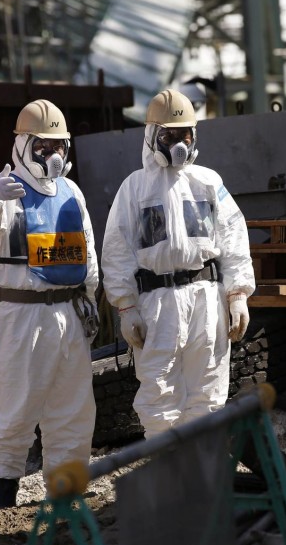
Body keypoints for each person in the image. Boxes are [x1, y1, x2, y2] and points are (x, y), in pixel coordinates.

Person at [0, 99, 99, 508]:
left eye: (59, 146)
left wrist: (93, 297)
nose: (52, 155)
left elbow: (87, 249)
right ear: (22, 145)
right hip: (22, 315)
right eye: (42, 146)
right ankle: (5, 496)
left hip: (69, 314)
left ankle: (66, 491)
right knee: (17, 406)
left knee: (73, 408)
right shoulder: (6, 190)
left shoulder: (72, 192)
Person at [101, 88, 255, 438]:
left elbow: (233, 238)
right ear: (152, 136)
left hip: (206, 298)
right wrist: (126, 308)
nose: (178, 144)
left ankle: (201, 477)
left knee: (209, 389)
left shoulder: (208, 182)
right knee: (158, 392)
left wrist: (238, 294)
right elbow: (117, 252)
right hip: (157, 303)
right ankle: (167, 476)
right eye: (169, 136)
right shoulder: (134, 189)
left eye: (185, 135)